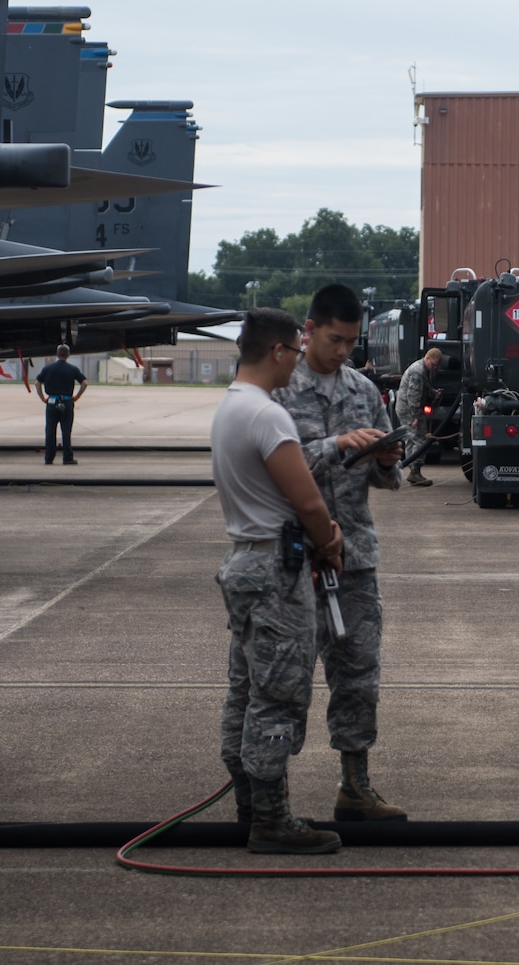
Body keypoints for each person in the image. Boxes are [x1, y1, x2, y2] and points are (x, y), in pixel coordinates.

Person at [272, 283, 409, 822]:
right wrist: (336, 445)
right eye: (334, 340)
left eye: (351, 343)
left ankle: (355, 784)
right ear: (308, 331)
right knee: (286, 682)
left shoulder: (363, 390)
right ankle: (271, 798)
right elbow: (272, 468)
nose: (342, 352)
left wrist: (383, 459)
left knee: (359, 675)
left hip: (354, 556)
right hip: (297, 561)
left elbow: (387, 480)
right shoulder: (279, 391)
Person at [211, 307, 346, 855]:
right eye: (295, 351)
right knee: (279, 694)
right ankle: (271, 820)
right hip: (274, 571)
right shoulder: (267, 415)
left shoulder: (228, 407)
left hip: (244, 562)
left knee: (245, 690)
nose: (297, 362)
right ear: (276, 352)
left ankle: (251, 805)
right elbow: (307, 499)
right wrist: (330, 539)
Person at [394, 346, 443, 487]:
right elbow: (413, 395)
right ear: (427, 358)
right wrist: (416, 416)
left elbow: (424, 386)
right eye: (433, 364)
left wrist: (433, 392)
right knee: (420, 438)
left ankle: (413, 470)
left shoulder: (422, 369)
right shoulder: (418, 371)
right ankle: (415, 471)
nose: (433, 368)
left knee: (411, 439)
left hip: (405, 408)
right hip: (409, 409)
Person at [34, 344, 86, 464]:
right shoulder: (73, 369)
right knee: (66, 431)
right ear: (68, 355)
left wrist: (43, 397)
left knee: (50, 431)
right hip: (67, 401)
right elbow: (84, 383)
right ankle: (67, 458)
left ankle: (49, 458)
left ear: (57, 354)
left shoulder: (47, 369)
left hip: (52, 402)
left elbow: (37, 383)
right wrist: (77, 396)